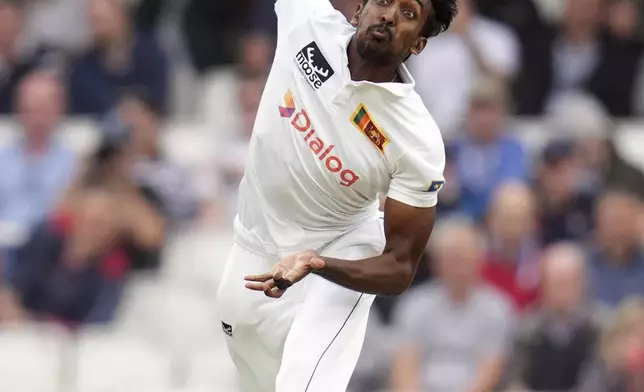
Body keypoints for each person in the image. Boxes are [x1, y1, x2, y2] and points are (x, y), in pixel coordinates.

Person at [215, 0, 457, 391]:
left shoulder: (417, 138)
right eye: (382, 1)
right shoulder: (306, 19)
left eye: (409, 13)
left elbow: (399, 267)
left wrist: (320, 264)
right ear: (358, 8)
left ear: (418, 45)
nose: (389, 15)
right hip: (253, 248)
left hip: (342, 249)